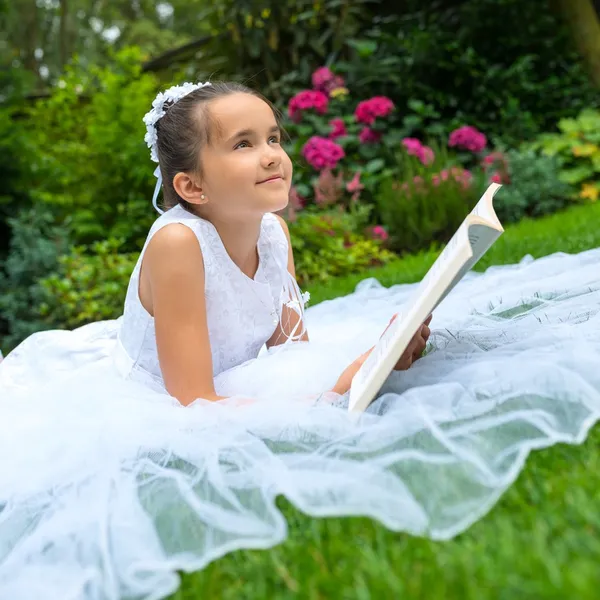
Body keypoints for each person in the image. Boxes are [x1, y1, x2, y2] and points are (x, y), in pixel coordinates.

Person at [1, 81, 599, 600]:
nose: (272, 156)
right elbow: (192, 403)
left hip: (225, 370)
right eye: (243, 144)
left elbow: (291, 350)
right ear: (192, 185)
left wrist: (377, 359)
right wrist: (329, 393)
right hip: (162, 387)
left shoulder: (272, 232)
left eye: (275, 138)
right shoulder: (178, 246)